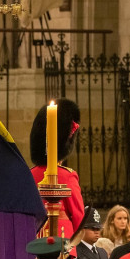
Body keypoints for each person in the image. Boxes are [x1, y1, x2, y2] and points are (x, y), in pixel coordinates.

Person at [29, 99, 84, 238]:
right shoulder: (68, 175)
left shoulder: (30, 174)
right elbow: (78, 216)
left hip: (34, 237)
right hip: (62, 238)